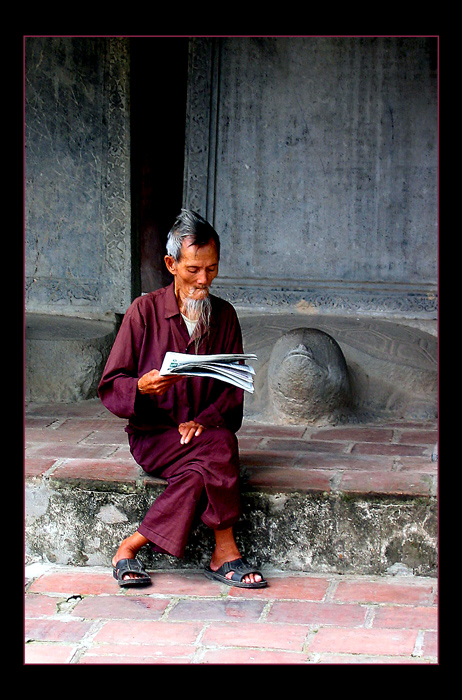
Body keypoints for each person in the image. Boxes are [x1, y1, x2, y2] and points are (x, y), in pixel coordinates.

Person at [98, 209, 267, 589]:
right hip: (155, 437)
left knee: (204, 464)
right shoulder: (143, 312)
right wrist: (140, 387)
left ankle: (129, 547)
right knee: (221, 448)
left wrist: (203, 421)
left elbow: (232, 391)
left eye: (212, 269)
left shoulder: (223, 316)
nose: (203, 280)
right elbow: (111, 385)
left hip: (200, 435)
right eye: (193, 270)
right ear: (171, 264)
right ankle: (225, 552)